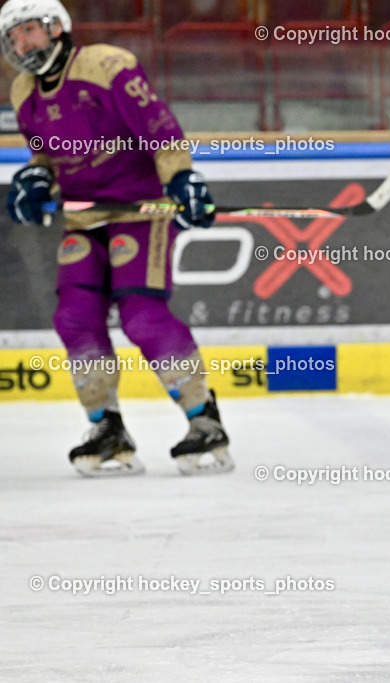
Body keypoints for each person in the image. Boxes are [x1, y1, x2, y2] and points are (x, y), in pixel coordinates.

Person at [1, 0, 233, 477]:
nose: (23, 43)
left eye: (30, 30)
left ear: (58, 28)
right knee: (73, 316)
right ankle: (106, 426)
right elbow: (47, 155)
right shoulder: (23, 89)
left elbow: (160, 130)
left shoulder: (108, 65)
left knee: (142, 315)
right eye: (15, 36)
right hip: (85, 219)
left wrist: (182, 180)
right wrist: (36, 177)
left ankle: (203, 419)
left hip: (138, 210)